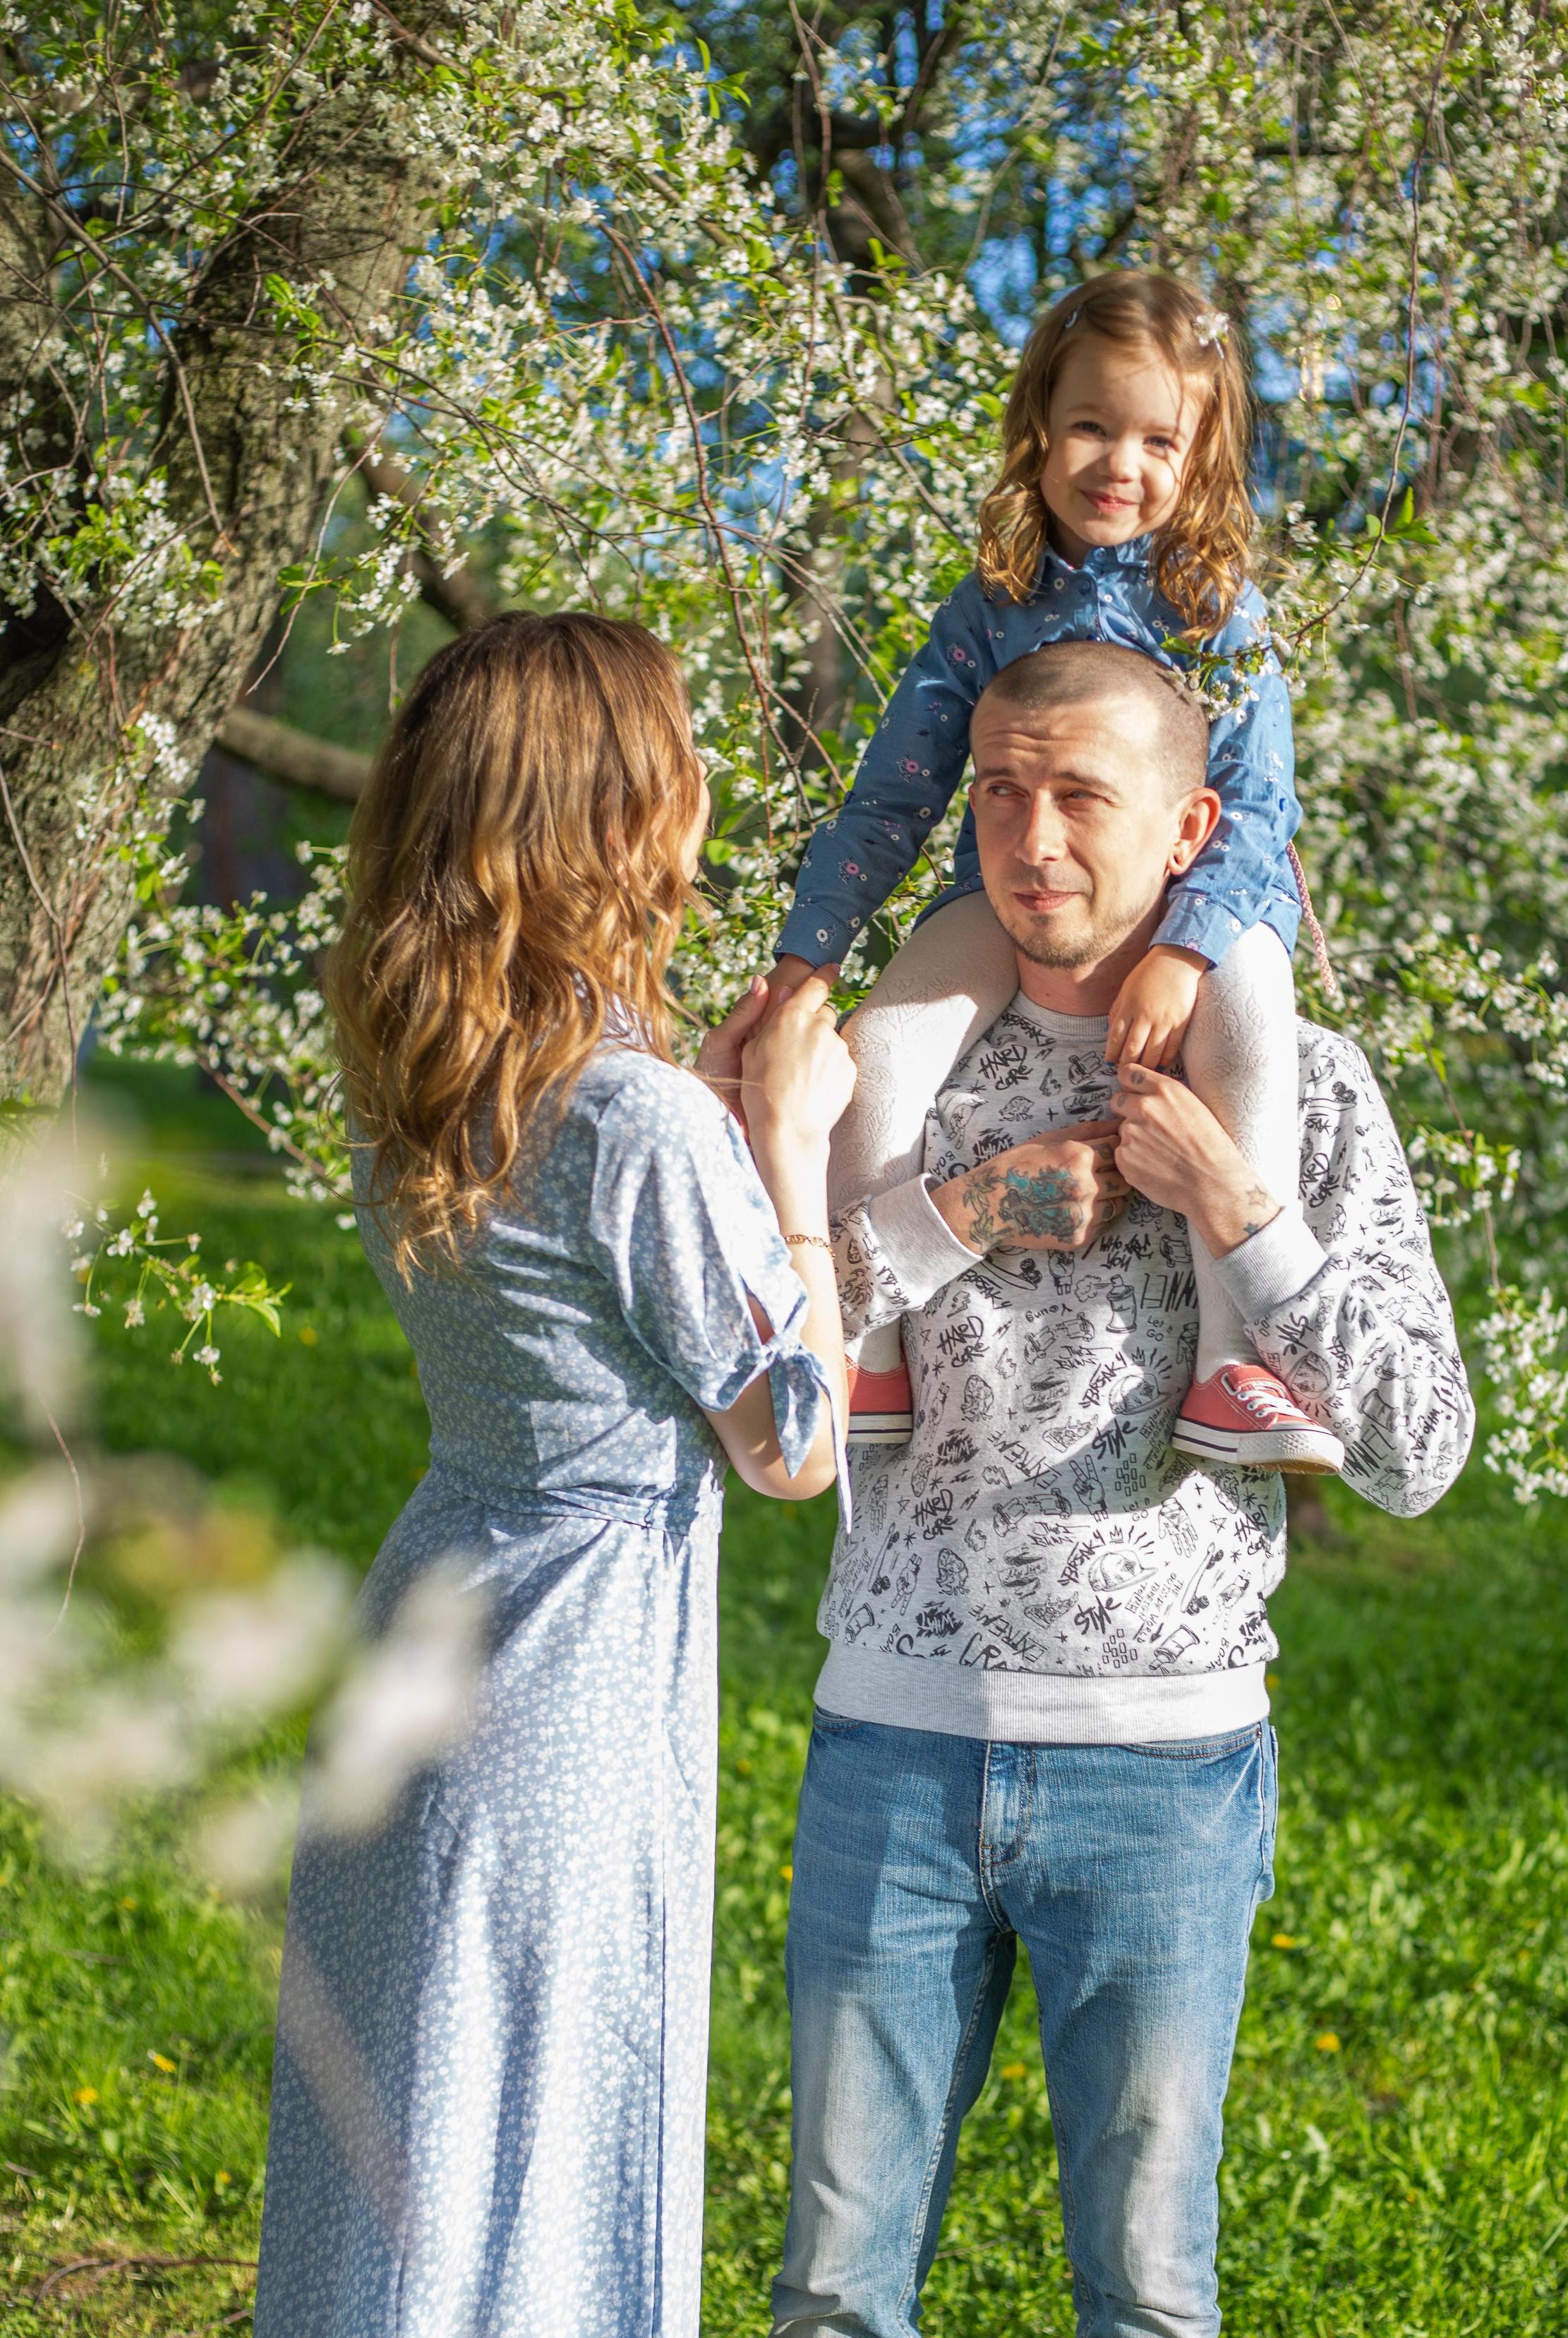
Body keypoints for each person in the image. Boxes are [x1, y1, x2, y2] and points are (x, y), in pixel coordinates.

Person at [772, 641, 1474, 2338]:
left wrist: (1246, 1212)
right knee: (833, 2294)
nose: (1033, 839)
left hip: (1161, 1762)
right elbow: (766, 1359)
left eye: (1082, 794)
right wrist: (958, 1212)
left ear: (1189, 826)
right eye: (1000, 792)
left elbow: (1420, 1445)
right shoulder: (891, 1069)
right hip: (894, 1739)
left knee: (1148, 2298)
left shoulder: (1294, 1086)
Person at [255, 613, 853, 2338]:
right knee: (539, 2167)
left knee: (409, 2163)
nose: (703, 796)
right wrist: (790, 1159)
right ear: (604, 817)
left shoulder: (426, 1082)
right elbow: (791, 1439)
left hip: (426, 1631)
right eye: (674, 765)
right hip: (566, 1695)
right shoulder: (637, 1123)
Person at [768, 268, 1334, 1473]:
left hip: (1203, 893)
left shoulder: (1214, 608)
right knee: (892, 1048)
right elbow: (897, 791)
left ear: (1202, 455)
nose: (1118, 464)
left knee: (1251, 1024)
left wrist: (1182, 952)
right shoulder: (994, 604)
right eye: (1090, 426)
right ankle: (872, 1342)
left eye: (1156, 439)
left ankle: (1240, 1360)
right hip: (1011, 891)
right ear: (1039, 426)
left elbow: (1260, 800)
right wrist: (805, 958)